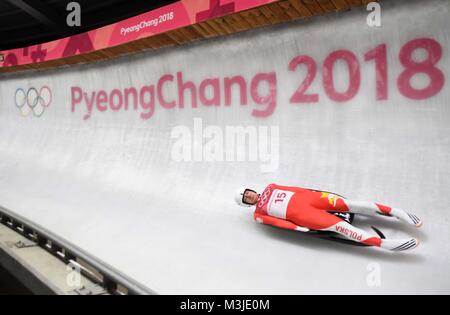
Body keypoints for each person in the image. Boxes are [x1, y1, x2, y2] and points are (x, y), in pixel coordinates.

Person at [235, 184, 422, 252]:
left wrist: (316, 192)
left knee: (352, 204)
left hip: (312, 198)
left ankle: (397, 212)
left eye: (248, 193)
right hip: (305, 216)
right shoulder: (258, 214)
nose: (250, 196)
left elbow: (295, 189)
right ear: (246, 203)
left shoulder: (271, 186)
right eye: (246, 198)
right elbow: (277, 222)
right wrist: (299, 229)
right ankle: (384, 244)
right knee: (341, 227)